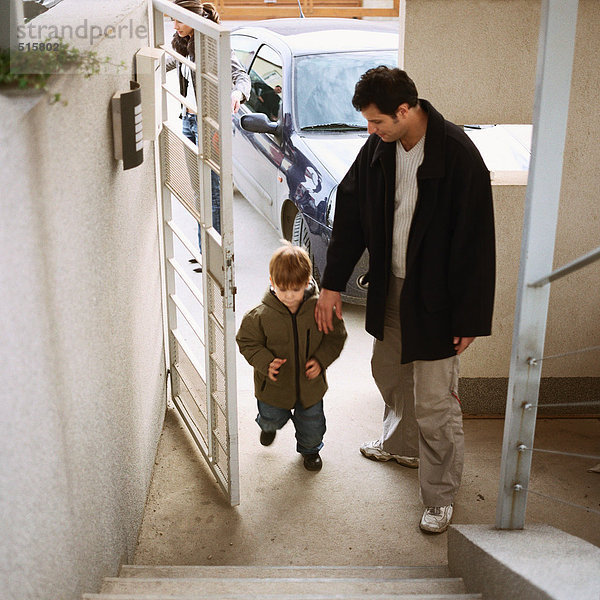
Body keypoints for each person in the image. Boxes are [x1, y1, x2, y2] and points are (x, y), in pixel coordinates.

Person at [315, 67, 495, 533]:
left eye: (376, 122)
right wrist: (332, 283)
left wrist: (470, 316)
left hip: (439, 300)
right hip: (392, 289)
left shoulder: (458, 156)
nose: (370, 132)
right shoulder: (379, 148)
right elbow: (350, 212)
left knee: (435, 402)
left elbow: (478, 243)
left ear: (405, 110)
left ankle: (439, 497)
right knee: (388, 370)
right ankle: (402, 446)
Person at [236, 243, 347, 472]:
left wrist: (320, 360)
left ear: (307, 283)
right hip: (274, 384)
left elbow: (336, 337)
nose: (289, 296)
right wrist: (266, 362)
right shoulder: (260, 315)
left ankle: (311, 450)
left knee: (313, 423)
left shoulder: (320, 310)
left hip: (310, 385)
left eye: (295, 289)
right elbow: (246, 342)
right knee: (271, 415)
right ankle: (268, 426)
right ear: (272, 282)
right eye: (282, 289)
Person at [167, 0, 251, 271]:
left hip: (210, 126)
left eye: (179, 19)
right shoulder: (182, 43)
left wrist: (237, 93)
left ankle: (215, 256)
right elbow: (166, 62)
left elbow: (241, 76)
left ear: (193, 18)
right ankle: (207, 248)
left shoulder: (214, 44)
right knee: (197, 190)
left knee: (212, 191)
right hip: (189, 123)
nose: (174, 24)